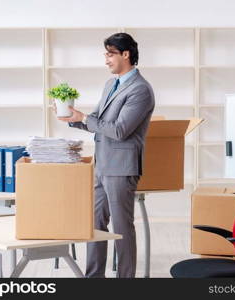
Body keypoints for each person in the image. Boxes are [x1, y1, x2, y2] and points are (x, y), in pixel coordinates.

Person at [55, 32, 155, 278]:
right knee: (95, 225)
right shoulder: (111, 84)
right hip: (102, 165)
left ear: (126, 54)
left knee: (122, 228)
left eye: (110, 54)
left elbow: (120, 130)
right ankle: (94, 278)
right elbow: (97, 121)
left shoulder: (140, 90)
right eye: (106, 54)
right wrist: (72, 118)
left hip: (122, 167)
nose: (106, 60)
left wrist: (84, 119)